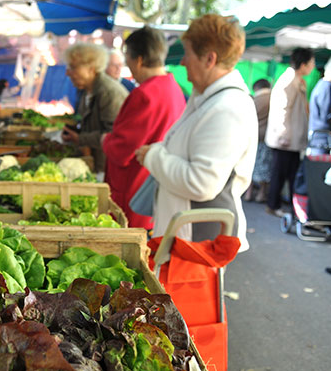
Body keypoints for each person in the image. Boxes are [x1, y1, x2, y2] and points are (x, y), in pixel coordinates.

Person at [135, 14, 258, 251]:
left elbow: (202, 183)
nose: (182, 62)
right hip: (186, 237)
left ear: (209, 59)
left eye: (188, 53)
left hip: (198, 244)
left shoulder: (227, 108)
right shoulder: (207, 98)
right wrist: (158, 151)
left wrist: (153, 157)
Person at [101, 27, 186, 230]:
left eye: (128, 60)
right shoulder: (174, 89)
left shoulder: (145, 94)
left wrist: (105, 139)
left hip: (134, 189)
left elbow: (122, 149)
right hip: (155, 186)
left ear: (138, 60)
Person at [62, 43, 128, 173]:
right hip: (97, 164)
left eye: (73, 67)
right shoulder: (87, 91)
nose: (67, 73)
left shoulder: (109, 93)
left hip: (108, 168)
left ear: (91, 68)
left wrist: (80, 138)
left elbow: (113, 134)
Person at [264, 47, 315, 217]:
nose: (313, 67)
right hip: (285, 139)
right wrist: (283, 134)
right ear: (304, 64)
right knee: (280, 173)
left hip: (292, 139)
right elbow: (282, 109)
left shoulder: (297, 79)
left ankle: (289, 206)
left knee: (290, 173)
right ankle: (273, 204)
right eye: (312, 63)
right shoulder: (289, 80)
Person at [244, 79, 273, 202]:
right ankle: (261, 193)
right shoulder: (274, 98)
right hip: (267, 138)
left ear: (257, 88)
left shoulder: (256, 100)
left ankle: (248, 193)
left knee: (250, 165)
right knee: (265, 167)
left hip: (253, 137)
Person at [308, 58, 331, 155]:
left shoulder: (322, 85)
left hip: (319, 137)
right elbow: (325, 115)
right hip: (321, 138)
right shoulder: (326, 87)